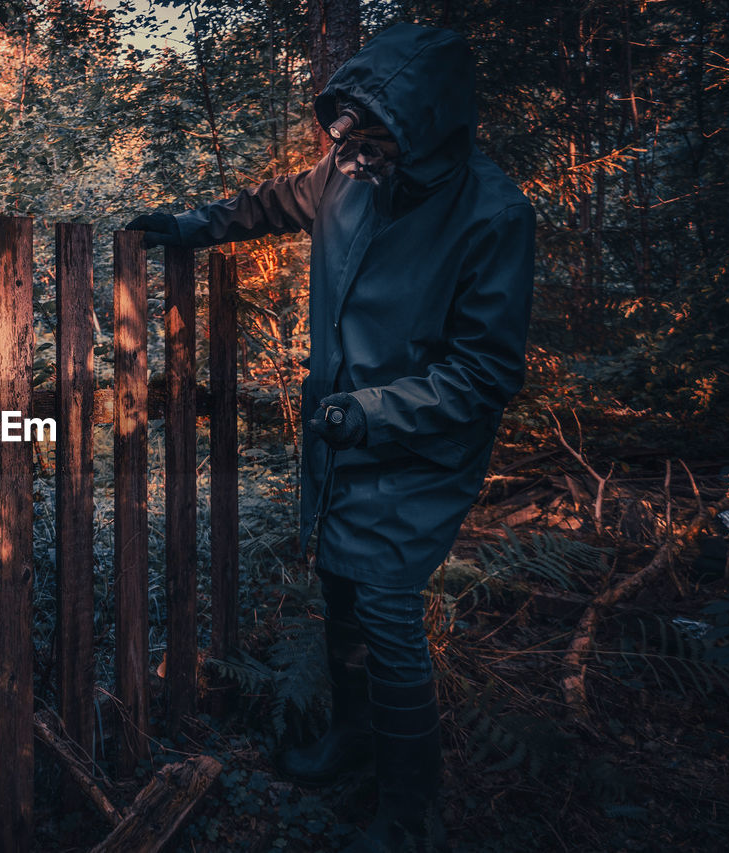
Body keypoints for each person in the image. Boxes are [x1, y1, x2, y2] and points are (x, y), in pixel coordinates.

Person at [125, 22, 535, 853]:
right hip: (342, 432)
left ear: (425, 128)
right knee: (341, 586)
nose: (347, 155)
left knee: (384, 603)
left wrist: (375, 412)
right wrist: (191, 223)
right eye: (340, 137)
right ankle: (355, 737)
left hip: (420, 448)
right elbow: (275, 200)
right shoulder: (346, 177)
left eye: (367, 138)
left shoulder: (493, 214)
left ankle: (412, 814)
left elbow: (484, 372)